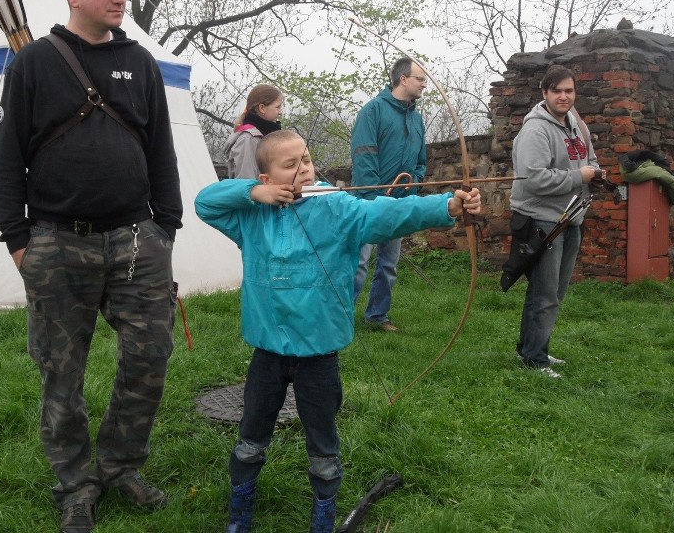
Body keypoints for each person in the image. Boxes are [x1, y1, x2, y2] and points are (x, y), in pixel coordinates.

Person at [194, 130, 481, 533]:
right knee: (250, 440)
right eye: (290, 165)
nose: (304, 170)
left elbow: (387, 214)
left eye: (306, 160)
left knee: (323, 445)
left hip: (319, 353)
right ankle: (240, 516)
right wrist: (252, 194)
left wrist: (448, 204)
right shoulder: (251, 216)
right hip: (268, 353)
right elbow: (205, 202)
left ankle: (323, 519)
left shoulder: (337, 206)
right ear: (267, 178)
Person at [0, 0, 183, 533]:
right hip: (56, 242)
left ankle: (121, 465)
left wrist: (164, 229)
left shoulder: (142, 63)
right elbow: (8, 159)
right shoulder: (34, 63)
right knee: (61, 371)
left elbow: (161, 152)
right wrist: (19, 241)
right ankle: (75, 483)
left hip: (135, 243)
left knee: (150, 358)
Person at [510, 64, 603, 379]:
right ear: (545, 93)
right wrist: (580, 176)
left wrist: (594, 172)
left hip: (570, 216)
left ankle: (533, 348)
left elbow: (589, 158)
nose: (564, 97)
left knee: (554, 290)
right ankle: (535, 360)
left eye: (569, 91)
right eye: (557, 91)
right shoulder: (535, 130)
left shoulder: (576, 123)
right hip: (542, 219)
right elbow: (534, 179)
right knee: (545, 290)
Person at [350, 56, 428, 331]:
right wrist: (373, 197)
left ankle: (377, 315)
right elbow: (363, 155)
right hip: (369, 202)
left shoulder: (417, 119)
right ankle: (341, 316)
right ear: (403, 79)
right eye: (420, 78)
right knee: (357, 264)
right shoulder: (373, 111)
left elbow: (421, 160)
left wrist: (414, 183)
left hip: (399, 203)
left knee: (388, 265)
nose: (424, 84)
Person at [223, 83, 283, 178]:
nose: (280, 112)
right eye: (278, 107)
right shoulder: (248, 139)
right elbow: (246, 181)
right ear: (262, 108)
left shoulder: (261, 135)